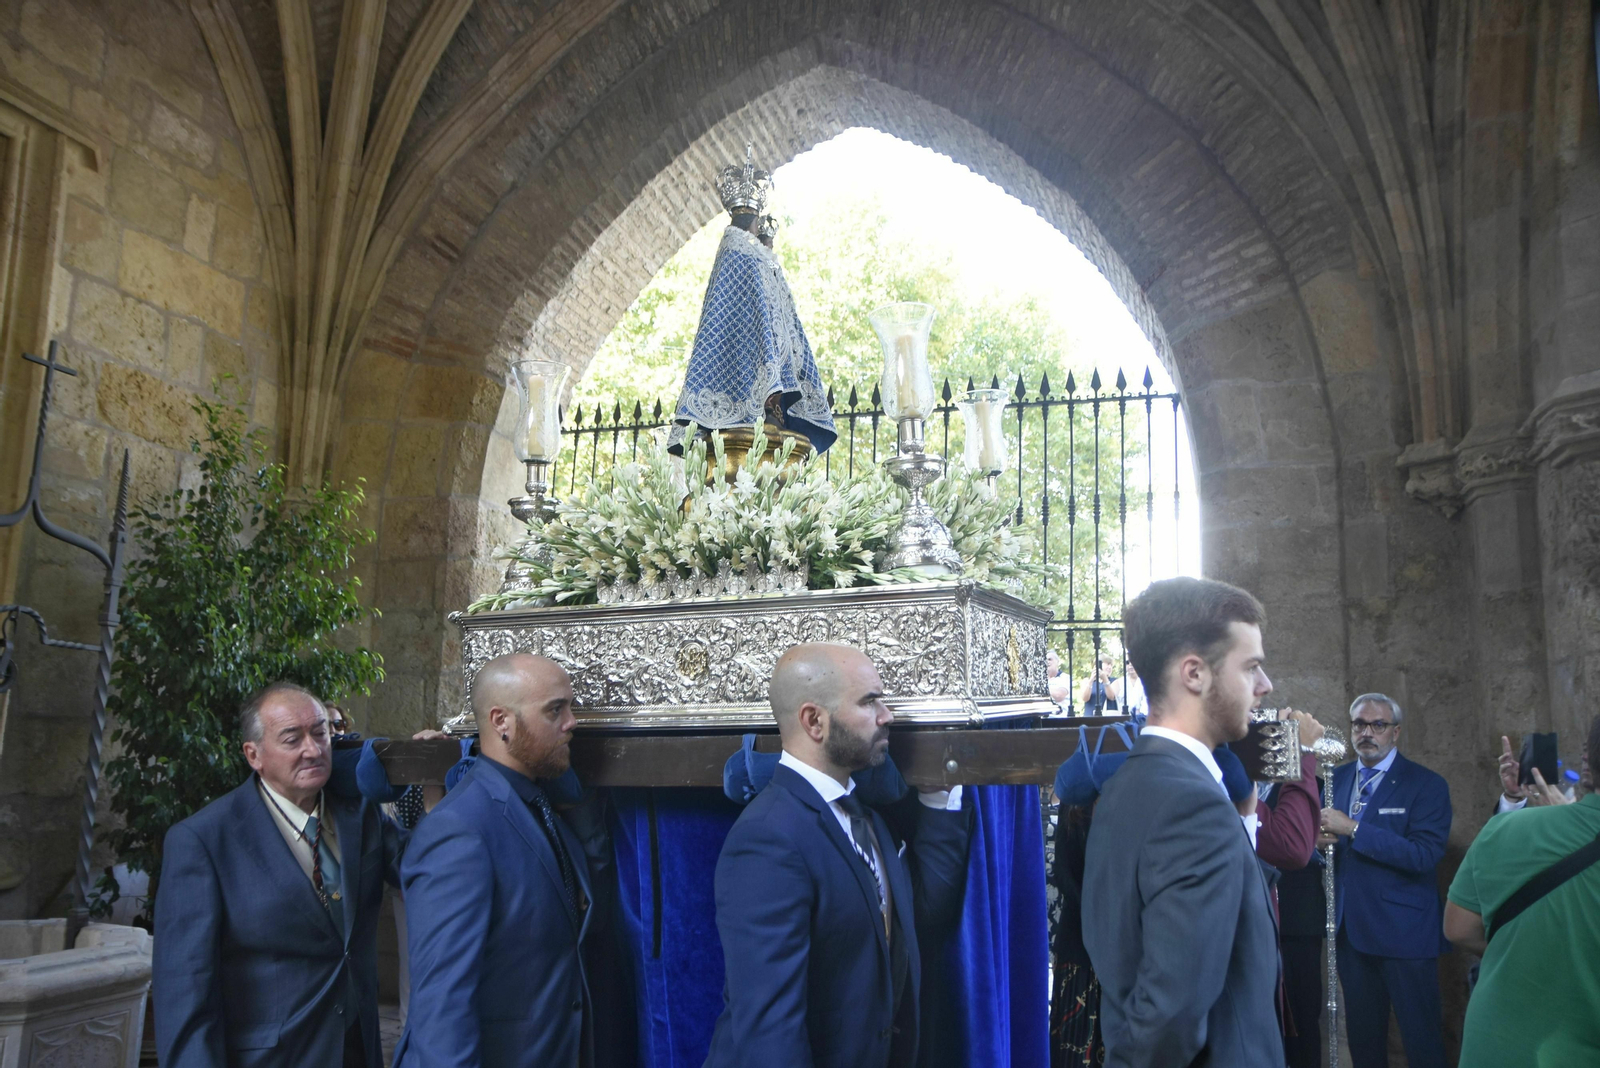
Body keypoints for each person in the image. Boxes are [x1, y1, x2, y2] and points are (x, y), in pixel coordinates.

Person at [703, 642, 971, 1068]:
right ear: (814, 721)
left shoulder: (865, 817)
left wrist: (939, 795)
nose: (887, 715)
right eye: (869, 702)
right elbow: (771, 1033)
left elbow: (920, 911)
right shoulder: (767, 839)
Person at [153, 682, 409, 1068]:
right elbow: (184, 993)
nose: (313, 750)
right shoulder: (204, 841)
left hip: (357, 1049)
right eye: (292, 739)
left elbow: (425, 869)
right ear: (253, 754)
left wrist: (437, 778)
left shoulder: (361, 812)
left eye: (320, 733)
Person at [1081, 577, 1283, 1067]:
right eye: (1250, 667)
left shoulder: (1128, 785)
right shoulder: (1193, 806)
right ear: (1195, 674)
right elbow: (1168, 1015)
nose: (1264, 686)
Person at [394, 653, 595, 1068]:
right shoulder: (458, 831)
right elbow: (442, 1005)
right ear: (501, 721)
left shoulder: (540, 806)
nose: (571, 722)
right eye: (555, 710)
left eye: (570, 707)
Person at [1444, 714, 1600, 1067]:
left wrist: (1519, 952)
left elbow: (1458, 928)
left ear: (1590, 759)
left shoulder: (1506, 829)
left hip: (1497, 1046)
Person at [667, 146, 834, 456]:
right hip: (740, 339)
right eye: (757, 225)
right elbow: (735, 307)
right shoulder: (737, 249)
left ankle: (772, 408)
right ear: (750, 219)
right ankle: (758, 408)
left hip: (761, 344)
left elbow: (776, 308)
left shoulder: (755, 254)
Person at [1319, 693, 1452, 1068]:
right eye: (1359, 724)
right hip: (1351, 933)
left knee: (1422, 1040)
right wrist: (1316, 846)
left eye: (1378, 725)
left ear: (1395, 732)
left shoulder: (1425, 784)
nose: (1367, 733)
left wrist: (1354, 829)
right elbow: (1322, 850)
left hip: (1405, 933)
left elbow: (1423, 855)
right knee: (1364, 1044)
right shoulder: (1334, 779)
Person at [1249, 709, 1325, 1068]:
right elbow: (1289, 844)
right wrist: (1302, 749)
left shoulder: (1310, 783)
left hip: (1295, 921)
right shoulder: (1231, 779)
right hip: (1252, 928)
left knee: (1302, 1025)